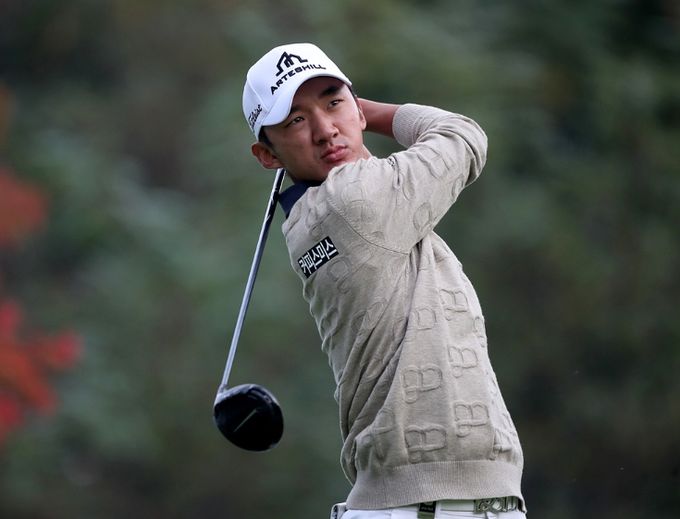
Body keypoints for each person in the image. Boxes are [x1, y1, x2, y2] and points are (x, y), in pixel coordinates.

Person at [242, 42, 526, 518]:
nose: (325, 130)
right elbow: (462, 135)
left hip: (423, 501)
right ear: (266, 155)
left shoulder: (315, 217)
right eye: (295, 120)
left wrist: (343, 114)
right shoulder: (355, 202)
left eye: (333, 102)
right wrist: (364, 113)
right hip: (430, 505)